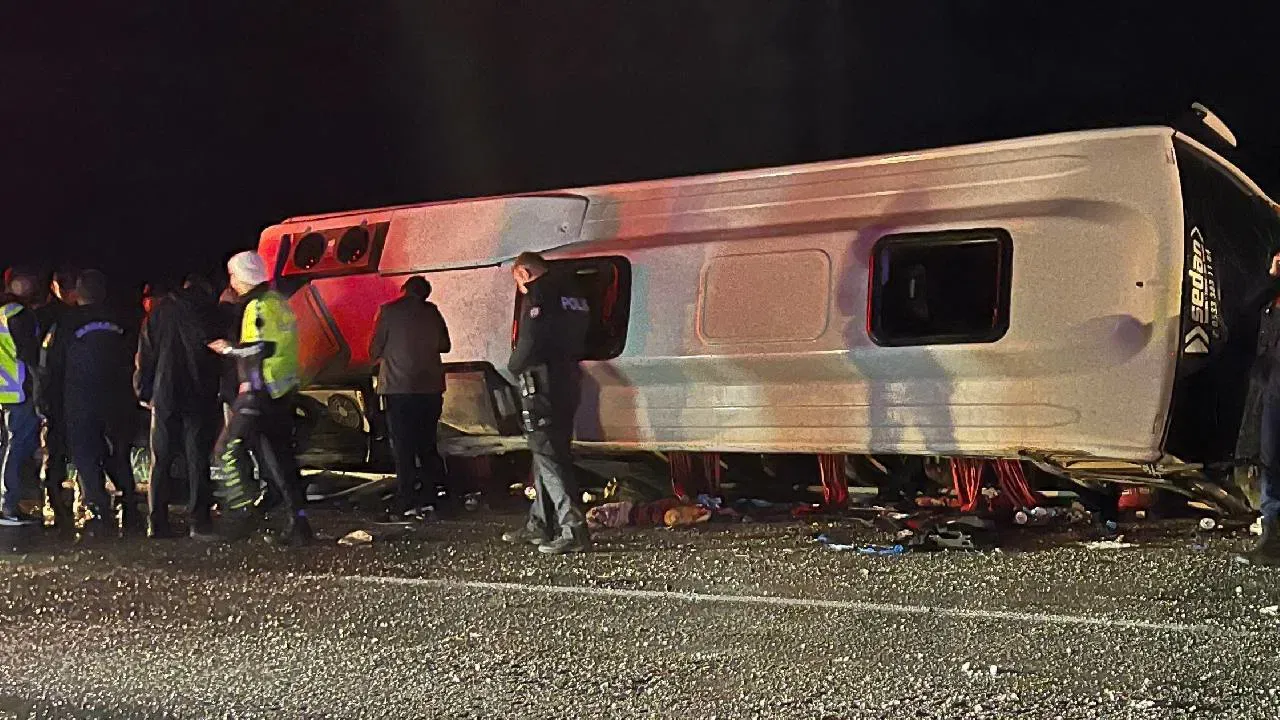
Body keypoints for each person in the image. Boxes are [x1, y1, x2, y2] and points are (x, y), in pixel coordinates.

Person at [207, 251, 311, 545]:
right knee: (279, 459)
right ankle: (299, 523)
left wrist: (228, 349)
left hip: (259, 391)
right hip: (281, 391)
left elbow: (261, 348)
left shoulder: (257, 306)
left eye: (233, 275)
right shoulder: (279, 302)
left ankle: (243, 514)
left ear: (243, 276)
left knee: (226, 451)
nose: (231, 282)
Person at [500, 252, 592, 554]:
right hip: (568, 379)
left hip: (542, 383)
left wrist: (513, 367)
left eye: (517, 279)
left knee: (547, 452)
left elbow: (530, 341)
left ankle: (573, 528)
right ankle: (540, 523)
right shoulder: (574, 292)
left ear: (524, 273)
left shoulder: (539, 294)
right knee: (550, 451)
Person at [41, 269, 143, 535]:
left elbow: (52, 365)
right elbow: (135, 356)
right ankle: (129, 503)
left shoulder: (66, 322)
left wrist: (48, 400)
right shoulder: (122, 320)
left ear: (79, 292)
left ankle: (99, 510)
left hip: (79, 398)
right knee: (118, 451)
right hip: (118, 397)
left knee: (85, 454)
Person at [135, 274, 222, 538]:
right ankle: (199, 520)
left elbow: (145, 355)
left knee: (161, 458)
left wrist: (144, 390)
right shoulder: (209, 313)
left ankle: (157, 522)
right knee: (197, 458)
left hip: (165, 393)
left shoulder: (159, 313)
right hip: (199, 392)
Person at [369, 276, 452, 517]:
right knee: (427, 444)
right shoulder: (432, 312)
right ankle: (432, 496)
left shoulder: (388, 311)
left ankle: (406, 498)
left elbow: (374, 350)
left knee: (403, 447)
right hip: (430, 389)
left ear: (404, 290)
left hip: (399, 389)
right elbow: (445, 345)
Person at [32, 268, 78, 529]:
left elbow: (41, 362)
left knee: (55, 447)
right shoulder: (70, 316)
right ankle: (57, 496)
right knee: (64, 446)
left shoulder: (46, 316)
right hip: (68, 391)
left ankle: (54, 496)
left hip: (55, 391)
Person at [0, 268, 43, 525]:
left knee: (10, 446)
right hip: (21, 390)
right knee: (18, 447)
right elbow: (30, 355)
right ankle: (9, 506)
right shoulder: (19, 315)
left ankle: (8, 503)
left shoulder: (2, 313)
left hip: (6, 390)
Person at [1245, 250, 1280, 565]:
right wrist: (1271, 277)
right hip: (1273, 388)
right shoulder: (1271, 298)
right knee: (1271, 459)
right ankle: (1271, 538)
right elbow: (1246, 307)